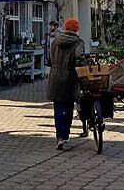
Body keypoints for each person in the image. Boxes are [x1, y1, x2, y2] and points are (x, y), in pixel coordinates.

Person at [46, 18, 85, 150]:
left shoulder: (55, 41)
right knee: (68, 107)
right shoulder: (78, 42)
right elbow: (79, 60)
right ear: (76, 29)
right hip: (70, 78)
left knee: (58, 107)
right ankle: (66, 134)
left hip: (55, 77)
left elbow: (50, 60)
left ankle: (59, 137)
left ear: (65, 28)